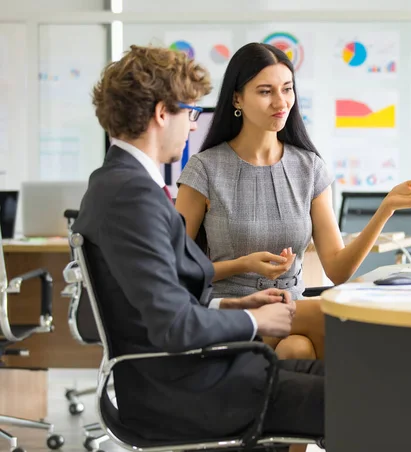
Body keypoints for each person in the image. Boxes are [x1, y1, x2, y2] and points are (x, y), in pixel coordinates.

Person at [72, 45, 324, 445]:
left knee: (344, 378)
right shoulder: (130, 195)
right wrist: (257, 322)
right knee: (356, 394)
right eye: (190, 113)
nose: (193, 126)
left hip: (183, 376)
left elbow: (159, 301)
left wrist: (233, 305)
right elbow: (173, 326)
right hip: (186, 390)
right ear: (160, 113)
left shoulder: (117, 184)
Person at [175, 42, 411, 359]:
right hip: (232, 315)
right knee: (336, 326)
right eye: (265, 91)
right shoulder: (204, 170)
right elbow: (177, 268)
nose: (280, 102)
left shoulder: (309, 168)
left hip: (291, 315)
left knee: (297, 350)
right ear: (237, 98)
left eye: (287, 89)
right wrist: (242, 265)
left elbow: (338, 269)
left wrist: (387, 208)